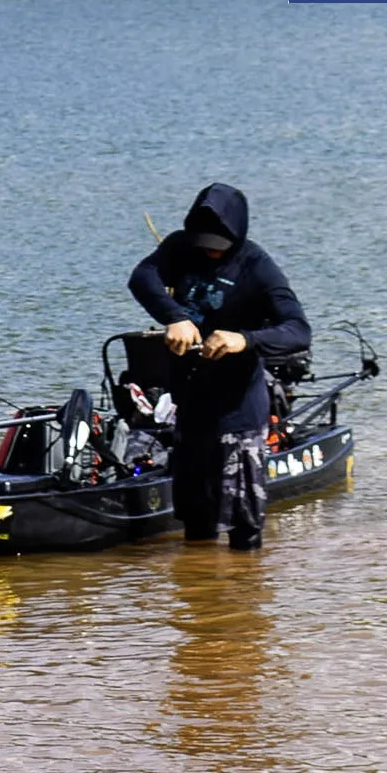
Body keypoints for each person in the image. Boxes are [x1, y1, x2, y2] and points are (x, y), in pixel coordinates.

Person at [129, 183, 311, 551]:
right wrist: (174, 316)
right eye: (204, 242)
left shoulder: (257, 267)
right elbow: (142, 278)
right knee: (196, 525)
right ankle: (200, 596)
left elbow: (299, 330)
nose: (210, 250)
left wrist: (244, 340)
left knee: (243, 531)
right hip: (191, 407)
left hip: (238, 412)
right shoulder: (180, 248)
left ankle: (243, 598)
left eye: (218, 244)